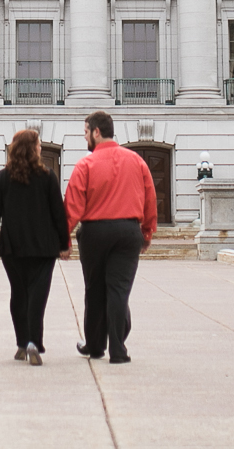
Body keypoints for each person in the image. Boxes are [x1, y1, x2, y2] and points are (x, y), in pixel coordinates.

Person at [61, 110, 156, 365]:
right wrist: (146, 232)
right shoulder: (137, 161)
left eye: (85, 133)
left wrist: (64, 240)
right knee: (119, 290)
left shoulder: (85, 164)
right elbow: (149, 199)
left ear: (96, 132)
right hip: (128, 232)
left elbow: (72, 206)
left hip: (95, 232)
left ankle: (94, 346)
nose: (85, 139)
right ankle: (118, 348)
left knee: (94, 290)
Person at [0, 128, 68, 366]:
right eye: (39, 144)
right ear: (31, 148)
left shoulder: (2, 177)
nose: (41, 147)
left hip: (13, 247)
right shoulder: (48, 176)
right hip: (43, 248)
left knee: (19, 295)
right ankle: (33, 343)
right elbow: (58, 213)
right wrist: (64, 243)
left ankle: (22, 342)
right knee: (37, 297)